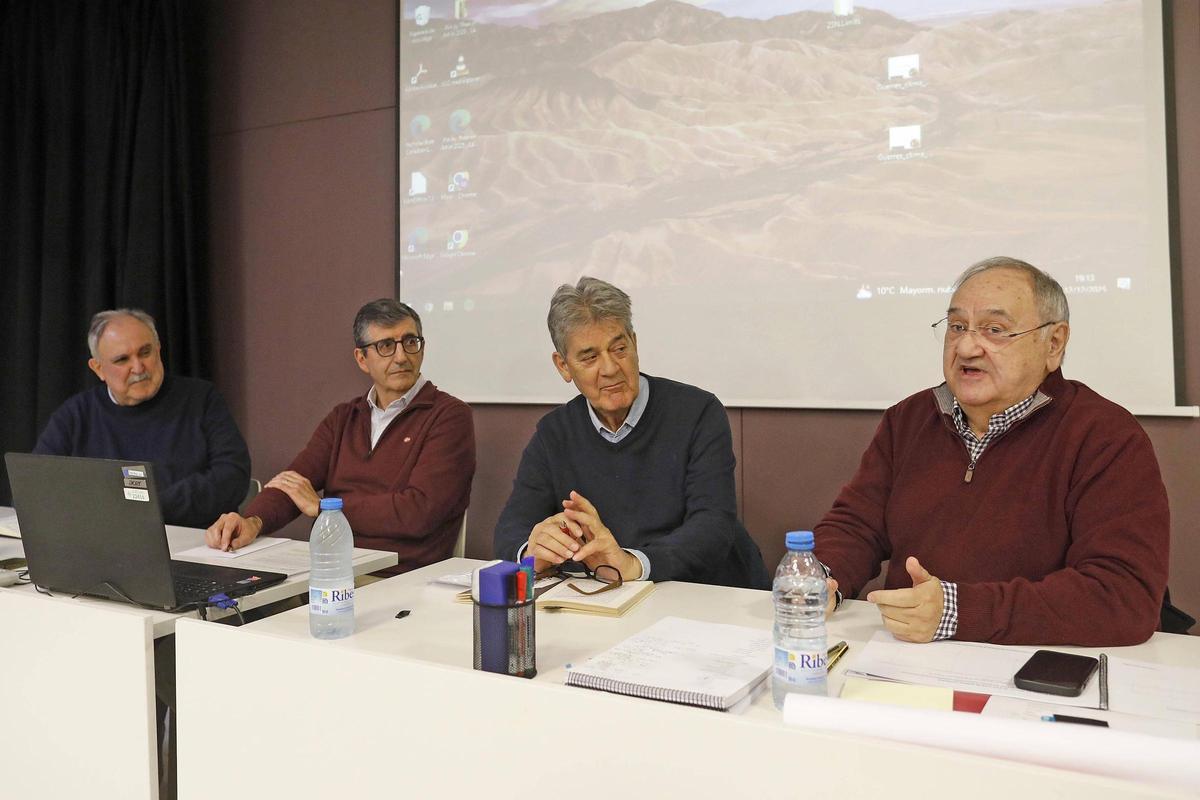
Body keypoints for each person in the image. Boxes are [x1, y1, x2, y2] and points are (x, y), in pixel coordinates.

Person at [814, 257, 1169, 646]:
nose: (967, 346)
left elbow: (1122, 596)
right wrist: (822, 575)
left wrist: (956, 611)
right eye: (957, 327)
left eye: (995, 330)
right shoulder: (911, 419)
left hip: (1033, 670)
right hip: (905, 658)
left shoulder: (1104, 436)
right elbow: (857, 526)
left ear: (1054, 343)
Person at [493, 276, 770, 589]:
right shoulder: (554, 433)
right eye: (590, 357)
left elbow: (712, 527)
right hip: (612, 600)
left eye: (619, 349)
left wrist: (632, 563)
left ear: (635, 344)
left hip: (706, 593)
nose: (610, 368)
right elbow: (510, 529)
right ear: (563, 366)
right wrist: (533, 553)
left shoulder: (697, 412)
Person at [205, 299, 475, 575]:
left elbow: (419, 512)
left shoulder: (449, 416)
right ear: (362, 359)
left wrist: (326, 508)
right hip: (326, 569)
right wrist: (251, 521)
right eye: (385, 346)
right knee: (230, 601)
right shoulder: (344, 418)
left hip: (399, 578)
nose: (401, 356)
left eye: (410, 342)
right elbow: (295, 482)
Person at [34, 308, 250, 528]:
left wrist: (149, 509)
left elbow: (232, 476)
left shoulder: (202, 399)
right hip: (105, 542)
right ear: (98, 368)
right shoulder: (74, 416)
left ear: (158, 349)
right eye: (122, 360)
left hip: (195, 541)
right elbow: (35, 488)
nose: (138, 367)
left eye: (145, 352)